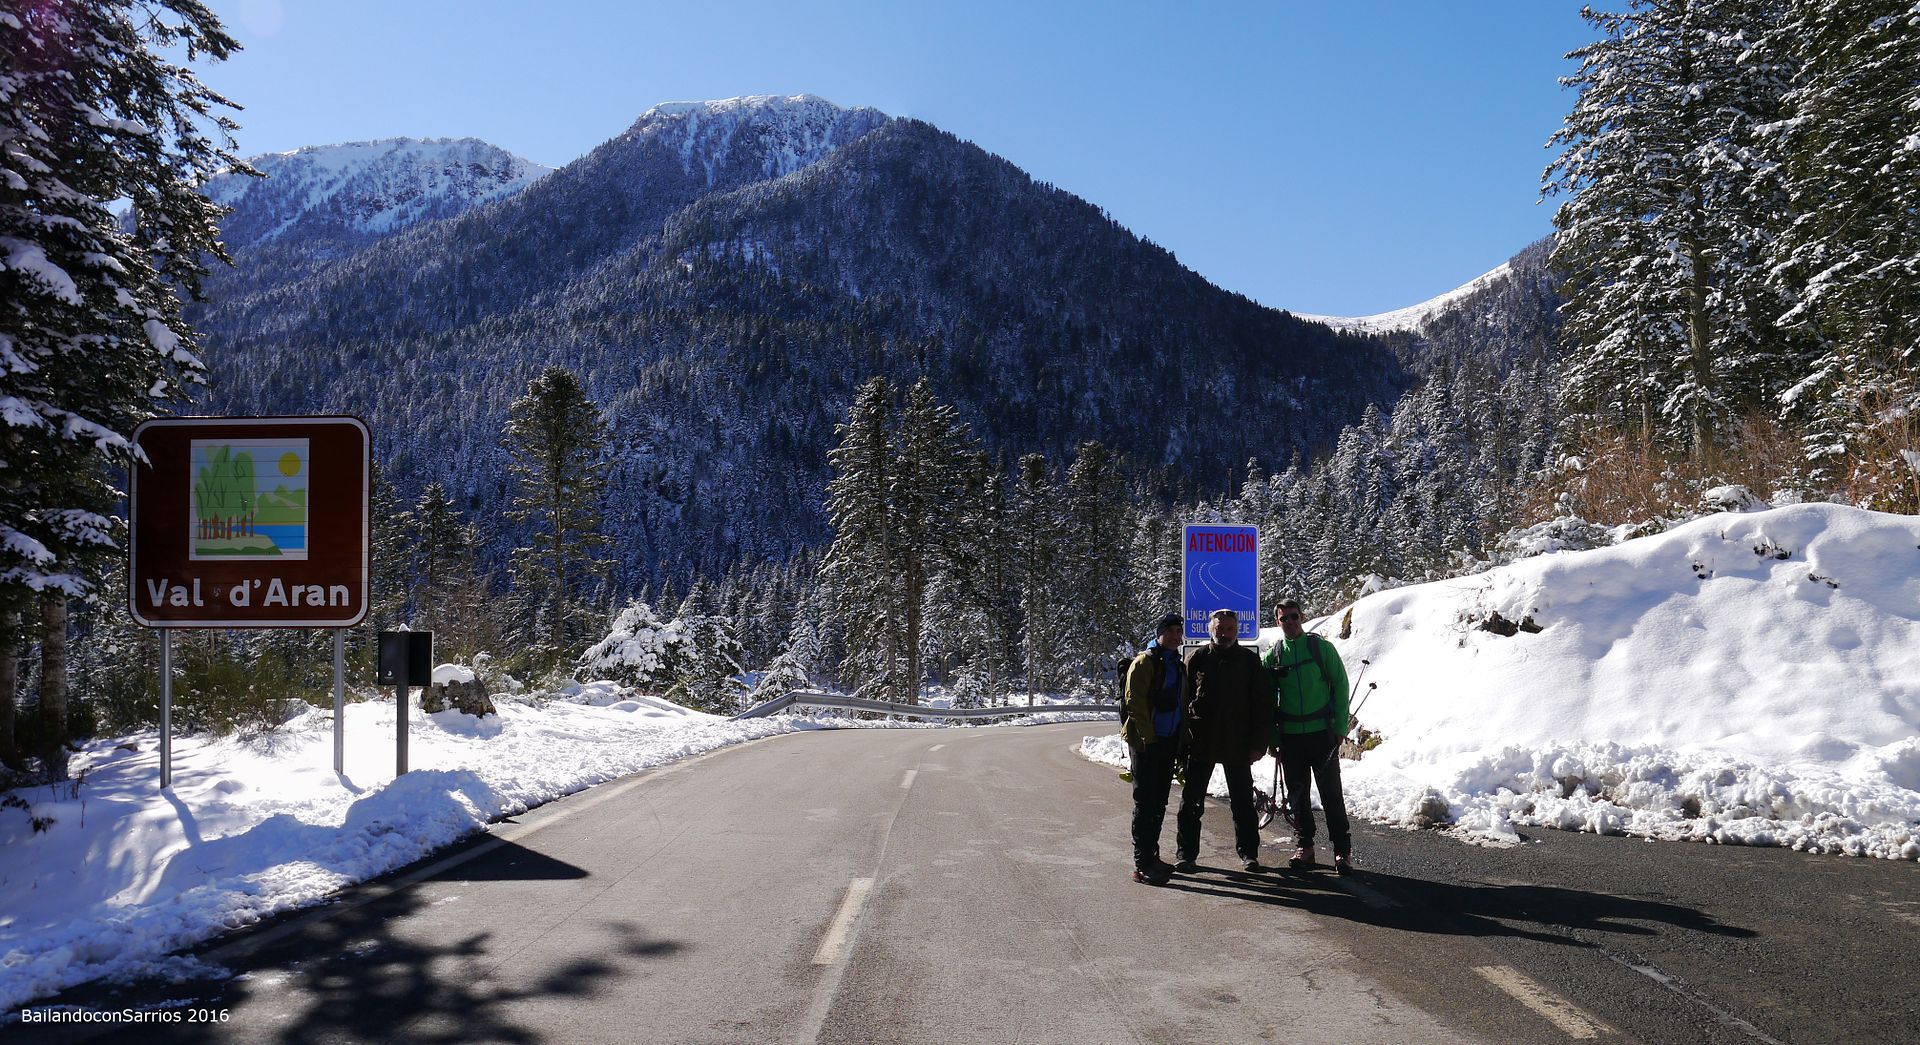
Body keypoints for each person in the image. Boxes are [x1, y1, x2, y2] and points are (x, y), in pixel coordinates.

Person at [1174, 608, 1273, 873]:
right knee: (1191, 803)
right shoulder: (1197, 658)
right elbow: (1182, 701)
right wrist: (1181, 741)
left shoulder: (1249, 661)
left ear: (1237, 630)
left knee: (1243, 803)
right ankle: (1186, 854)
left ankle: (1249, 854)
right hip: (1201, 741)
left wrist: (1258, 744)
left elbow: (1262, 704)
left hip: (1238, 743)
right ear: (1210, 629)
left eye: (1230, 629)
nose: (1225, 633)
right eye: (1220, 628)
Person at [1263, 599, 1354, 874]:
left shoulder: (1321, 648)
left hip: (1322, 735)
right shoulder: (1274, 656)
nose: (1289, 622)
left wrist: (1340, 727)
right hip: (1291, 738)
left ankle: (1342, 850)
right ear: (1277, 622)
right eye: (1284, 618)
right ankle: (1305, 847)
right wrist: (1272, 737)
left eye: (1293, 616)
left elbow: (1340, 685)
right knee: (1297, 795)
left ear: (1302, 617)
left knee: (1331, 794)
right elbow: (1267, 699)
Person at [1121, 613, 1187, 885]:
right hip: (1147, 744)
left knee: (1159, 802)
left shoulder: (1177, 665)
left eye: (1178, 632)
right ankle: (1142, 864)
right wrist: (1149, 739)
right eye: (1169, 631)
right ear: (1159, 633)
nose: (1174, 636)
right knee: (1145, 803)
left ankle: (1152, 857)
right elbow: (1133, 702)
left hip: (1167, 742)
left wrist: (1181, 740)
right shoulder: (1144, 662)